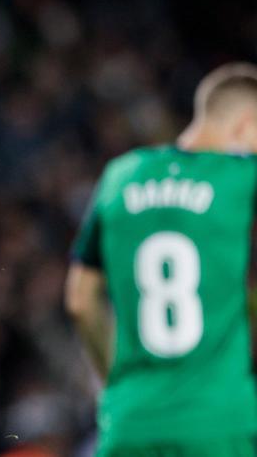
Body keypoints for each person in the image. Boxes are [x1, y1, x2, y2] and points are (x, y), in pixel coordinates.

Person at [66, 62, 257, 457]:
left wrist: (117, 383)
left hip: (130, 422)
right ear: (246, 124)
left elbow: (81, 302)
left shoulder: (119, 175)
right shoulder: (242, 177)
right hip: (219, 421)